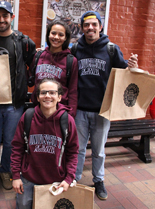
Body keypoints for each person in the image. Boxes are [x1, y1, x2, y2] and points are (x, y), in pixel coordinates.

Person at [71, 11, 138, 200]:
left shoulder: (111, 49)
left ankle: (98, 180)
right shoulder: (76, 49)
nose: (90, 28)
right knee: (78, 148)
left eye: (94, 24)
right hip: (80, 110)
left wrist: (131, 66)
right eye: (86, 25)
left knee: (99, 150)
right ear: (82, 28)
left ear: (100, 27)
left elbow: (124, 71)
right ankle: (74, 178)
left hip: (103, 110)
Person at [0, 1, 36, 190]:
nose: (1, 20)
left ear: (12, 17)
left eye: (5, 16)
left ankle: (6, 170)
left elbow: (34, 64)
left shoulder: (23, 41)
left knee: (11, 141)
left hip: (15, 102)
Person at [11, 78, 79, 209]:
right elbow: (17, 147)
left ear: (59, 97)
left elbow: (73, 151)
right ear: (37, 97)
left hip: (56, 180)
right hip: (28, 178)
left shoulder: (67, 120)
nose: (47, 96)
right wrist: (15, 176)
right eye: (43, 92)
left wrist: (68, 178)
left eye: (52, 93)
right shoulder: (27, 117)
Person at [29, 20, 78, 118]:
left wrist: (70, 115)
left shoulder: (71, 61)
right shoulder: (39, 56)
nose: (56, 37)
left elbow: (73, 90)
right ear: (48, 35)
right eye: (53, 33)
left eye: (61, 35)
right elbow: (29, 79)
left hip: (59, 113)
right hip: (38, 111)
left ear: (65, 38)